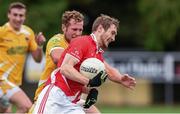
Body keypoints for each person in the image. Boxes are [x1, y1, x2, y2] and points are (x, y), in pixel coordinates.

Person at [33, 14, 136, 114]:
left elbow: (107, 70)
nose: (113, 38)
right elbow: (65, 68)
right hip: (55, 97)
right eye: (112, 33)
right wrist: (89, 82)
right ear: (100, 28)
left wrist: (92, 90)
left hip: (71, 102)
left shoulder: (97, 54)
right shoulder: (83, 42)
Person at [30, 10, 100, 113]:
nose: (78, 33)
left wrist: (90, 90)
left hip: (67, 99)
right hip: (47, 97)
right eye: (74, 29)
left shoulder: (80, 47)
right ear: (64, 28)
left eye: (80, 30)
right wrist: (88, 65)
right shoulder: (56, 40)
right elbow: (59, 59)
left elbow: (73, 80)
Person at [0, 2, 46, 113]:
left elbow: (38, 59)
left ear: (24, 17)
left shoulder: (28, 33)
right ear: (9, 15)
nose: (18, 18)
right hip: (2, 80)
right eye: (15, 15)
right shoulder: (2, 32)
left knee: (6, 111)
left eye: (21, 15)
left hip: (15, 82)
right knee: (27, 106)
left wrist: (40, 46)